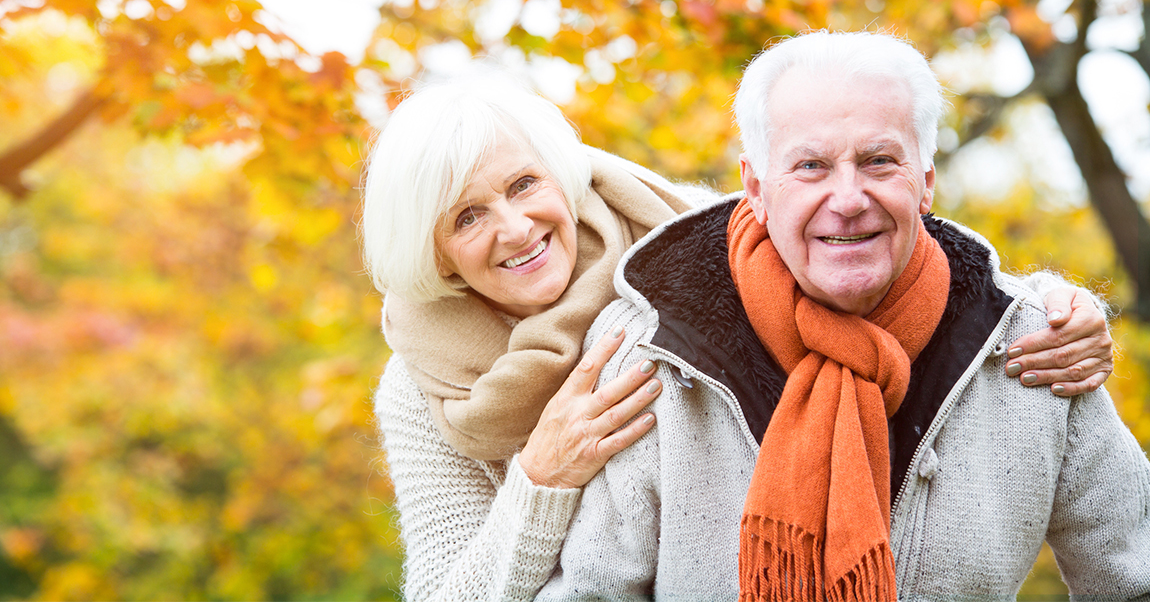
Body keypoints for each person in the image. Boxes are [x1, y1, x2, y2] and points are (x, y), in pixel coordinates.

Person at [362, 71, 1114, 601]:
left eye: (523, 185)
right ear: (432, 253)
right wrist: (539, 479)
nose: (516, 227)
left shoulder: (678, 245)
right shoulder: (425, 383)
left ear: (561, 174)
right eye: (467, 217)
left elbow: (849, 227)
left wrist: (1044, 300)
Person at [536, 31, 1149, 600]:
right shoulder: (651, 354)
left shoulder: (1033, 345)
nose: (849, 200)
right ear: (756, 188)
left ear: (926, 181)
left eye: (880, 161)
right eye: (811, 166)